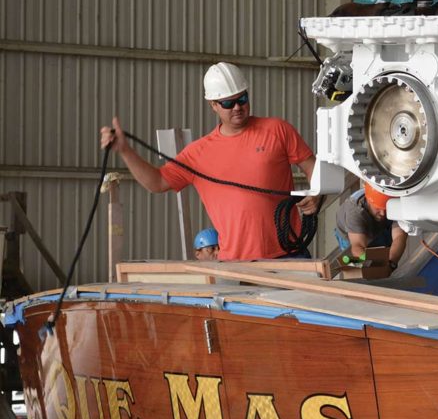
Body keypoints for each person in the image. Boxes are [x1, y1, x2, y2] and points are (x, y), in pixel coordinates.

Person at [99, 62, 320, 261]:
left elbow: (313, 167)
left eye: (242, 98)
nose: (237, 107)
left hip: (289, 256)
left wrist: (317, 193)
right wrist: (125, 151)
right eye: (227, 102)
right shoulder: (198, 153)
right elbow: (157, 182)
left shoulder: (277, 130)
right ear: (213, 105)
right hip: (235, 264)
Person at [335, 183, 408, 276]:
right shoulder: (355, 211)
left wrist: (391, 263)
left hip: (378, 228)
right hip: (351, 236)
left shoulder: (396, 203)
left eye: (386, 209)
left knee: (383, 261)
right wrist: (374, 263)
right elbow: (358, 246)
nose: (382, 213)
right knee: (354, 266)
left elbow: (399, 237)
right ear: (369, 201)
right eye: (378, 208)